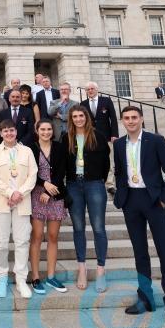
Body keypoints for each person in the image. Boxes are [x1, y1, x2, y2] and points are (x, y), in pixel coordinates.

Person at [113, 105, 165, 328]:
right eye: (127, 118)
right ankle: (145, 297)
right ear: (122, 121)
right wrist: (120, 196)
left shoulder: (156, 141)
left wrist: (163, 199)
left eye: (134, 117)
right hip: (131, 201)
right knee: (140, 251)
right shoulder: (118, 144)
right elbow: (120, 171)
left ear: (141, 119)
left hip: (154, 200)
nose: (131, 121)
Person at [0, 119, 37, 299]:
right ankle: (1, 277)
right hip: (2, 203)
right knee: (0, 242)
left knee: (22, 241)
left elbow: (33, 175)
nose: (9, 133)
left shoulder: (27, 151)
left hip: (22, 202)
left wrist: (19, 193)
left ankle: (21, 279)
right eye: (5, 131)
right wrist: (9, 192)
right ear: (0, 133)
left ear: (16, 132)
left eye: (12, 130)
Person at [63, 105, 110, 293]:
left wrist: (99, 179)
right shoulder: (66, 137)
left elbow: (106, 161)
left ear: (86, 117)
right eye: (75, 116)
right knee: (78, 228)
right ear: (71, 119)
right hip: (74, 185)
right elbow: (64, 163)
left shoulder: (97, 136)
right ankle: (81, 267)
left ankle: (100, 269)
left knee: (98, 228)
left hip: (94, 184)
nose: (78, 119)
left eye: (81, 115)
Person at [27, 118, 68, 294]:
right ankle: (35, 277)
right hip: (37, 195)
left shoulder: (59, 147)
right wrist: (44, 185)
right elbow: (30, 173)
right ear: (37, 131)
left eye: (49, 129)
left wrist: (50, 190)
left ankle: (51, 276)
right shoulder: (30, 148)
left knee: (52, 236)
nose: (46, 132)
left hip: (56, 194)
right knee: (37, 236)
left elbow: (62, 171)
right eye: (42, 129)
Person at [80, 81, 119, 195]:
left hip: (106, 136)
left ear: (97, 89)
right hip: (90, 137)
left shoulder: (106, 101)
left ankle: (110, 185)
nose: (90, 91)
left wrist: (114, 134)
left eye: (92, 89)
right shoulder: (83, 104)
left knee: (109, 160)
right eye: (88, 89)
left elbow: (113, 118)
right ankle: (96, 181)